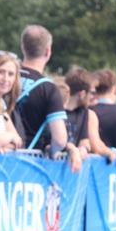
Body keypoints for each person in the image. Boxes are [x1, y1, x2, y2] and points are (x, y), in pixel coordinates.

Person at [15, 25, 82, 171]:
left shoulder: (4, 78)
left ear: (22, 47)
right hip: (29, 164)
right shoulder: (48, 88)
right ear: (48, 51)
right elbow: (59, 138)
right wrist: (53, 152)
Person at [62, 67, 116, 164]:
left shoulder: (85, 113)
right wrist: (73, 150)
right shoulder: (56, 110)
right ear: (82, 94)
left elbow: (85, 141)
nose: (93, 97)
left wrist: (83, 149)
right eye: (91, 93)